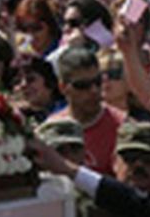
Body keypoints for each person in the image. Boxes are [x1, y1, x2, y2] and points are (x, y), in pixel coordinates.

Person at [49, 46, 125, 174]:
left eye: (97, 81)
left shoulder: (121, 127)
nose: (94, 90)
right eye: (82, 85)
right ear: (63, 88)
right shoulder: (52, 130)